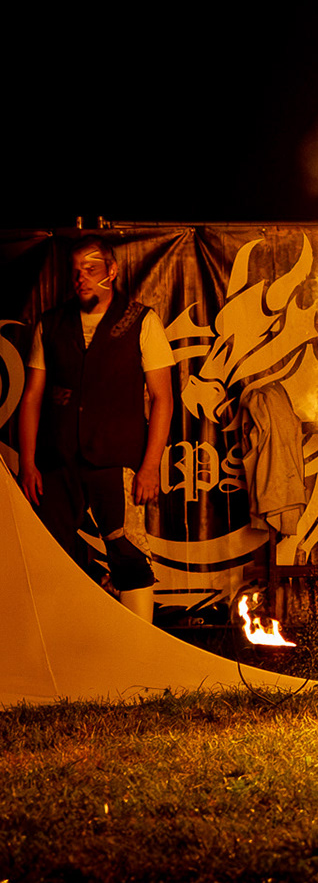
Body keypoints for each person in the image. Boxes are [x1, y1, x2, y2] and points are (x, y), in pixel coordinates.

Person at [17, 239, 172, 621]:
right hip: (57, 461)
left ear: (112, 271)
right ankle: (66, 648)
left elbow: (163, 398)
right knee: (52, 554)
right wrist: (28, 462)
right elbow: (32, 397)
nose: (81, 278)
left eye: (91, 270)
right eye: (76, 271)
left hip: (115, 459)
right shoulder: (50, 324)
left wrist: (150, 466)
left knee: (128, 553)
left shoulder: (141, 320)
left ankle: (138, 650)